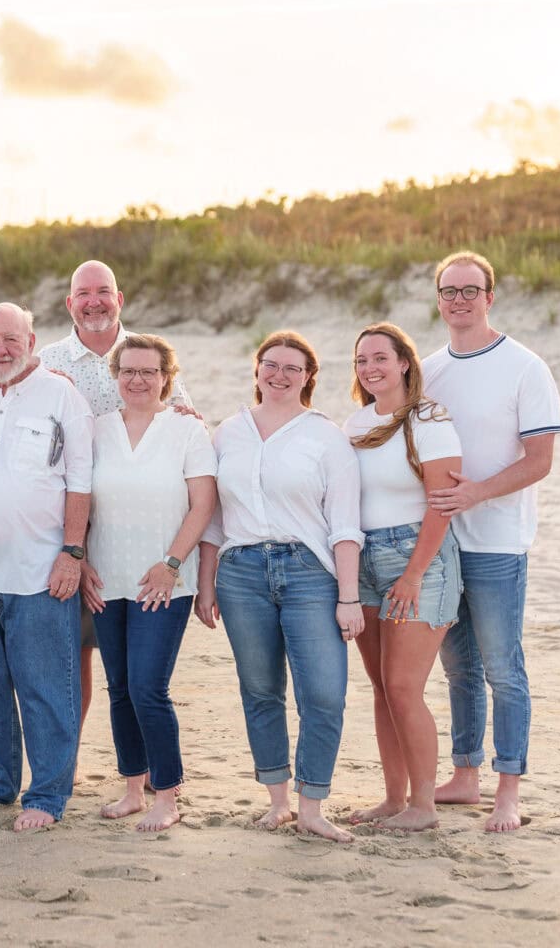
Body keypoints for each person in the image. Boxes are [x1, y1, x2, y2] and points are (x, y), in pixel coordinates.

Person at [195, 331, 364, 843]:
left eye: (293, 367)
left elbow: (345, 524)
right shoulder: (228, 433)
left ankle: (313, 805)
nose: (281, 374)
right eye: (272, 364)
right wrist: (206, 586)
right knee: (260, 689)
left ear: (309, 377)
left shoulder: (325, 436)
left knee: (324, 693)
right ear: (257, 370)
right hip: (241, 572)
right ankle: (278, 800)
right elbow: (212, 521)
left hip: (310, 572)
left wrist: (349, 597)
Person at [423, 251, 560, 832]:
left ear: (490, 297)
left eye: (471, 290)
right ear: (438, 299)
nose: (460, 299)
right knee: (459, 669)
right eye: (449, 290)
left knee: (503, 668)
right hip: (439, 541)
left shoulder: (525, 367)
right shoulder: (427, 369)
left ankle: (509, 789)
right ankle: (465, 774)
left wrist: (476, 494)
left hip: (498, 543)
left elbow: (539, 461)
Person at [0, 303, 94, 832]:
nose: (0, 350)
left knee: (46, 688)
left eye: (11, 339)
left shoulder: (63, 396)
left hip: (40, 572)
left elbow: (80, 483)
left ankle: (49, 794)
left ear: (32, 340)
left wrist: (72, 553)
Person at [37, 259, 194, 742]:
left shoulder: (148, 354)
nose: (94, 301)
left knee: (142, 668)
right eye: (83, 293)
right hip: (72, 533)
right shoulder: (50, 362)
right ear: (69, 304)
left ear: (119, 298)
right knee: (75, 654)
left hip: (141, 533)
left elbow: (185, 423)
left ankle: (146, 764)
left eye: (103, 291)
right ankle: (73, 755)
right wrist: (74, 546)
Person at [83, 334, 216, 831]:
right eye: (128, 371)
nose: (138, 380)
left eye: (149, 371)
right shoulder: (95, 430)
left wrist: (172, 563)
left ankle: (168, 794)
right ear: (115, 376)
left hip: (163, 581)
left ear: (167, 378)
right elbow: (79, 498)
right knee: (119, 687)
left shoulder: (186, 431)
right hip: (105, 577)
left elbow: (203, 505)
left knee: (147, 687)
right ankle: (133, 788)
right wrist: (81, 560)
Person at [342, 322, 463, 831]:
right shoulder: (353, 424)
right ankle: (394, 799)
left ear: (404, 363)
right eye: (362, 361)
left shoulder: (429, 418)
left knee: (404, 685)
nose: (371, 368)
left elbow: (443, 503)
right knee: (380, 686)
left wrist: (413, 574)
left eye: (381, 359)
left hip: (419, 558)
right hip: (366, 558)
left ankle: (424, 806)